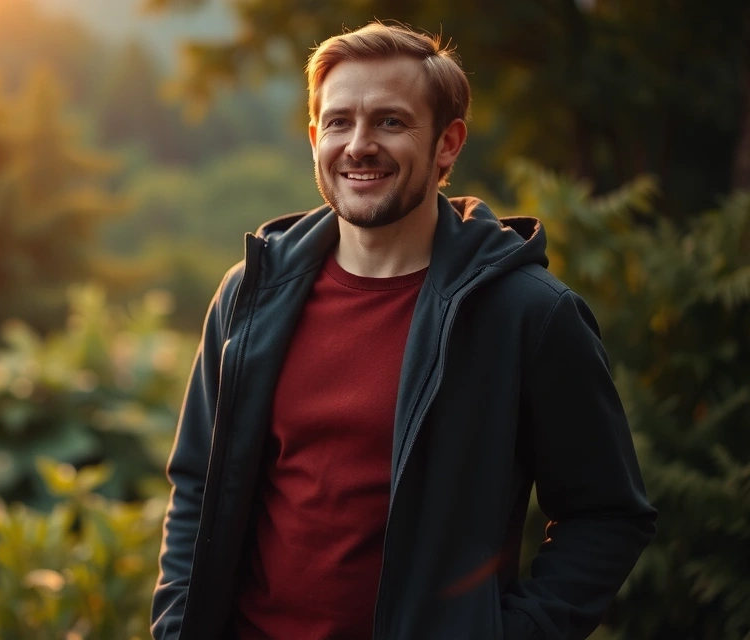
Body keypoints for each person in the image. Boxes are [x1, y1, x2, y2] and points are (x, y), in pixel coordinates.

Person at [151, 21, 656, 640]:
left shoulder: (528, 314)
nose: (359, 145)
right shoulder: (247, 297)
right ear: (314, 138)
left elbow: (607, 515)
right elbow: (199, 485)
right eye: (338, 122)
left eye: (390, 122)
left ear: (448, 144)